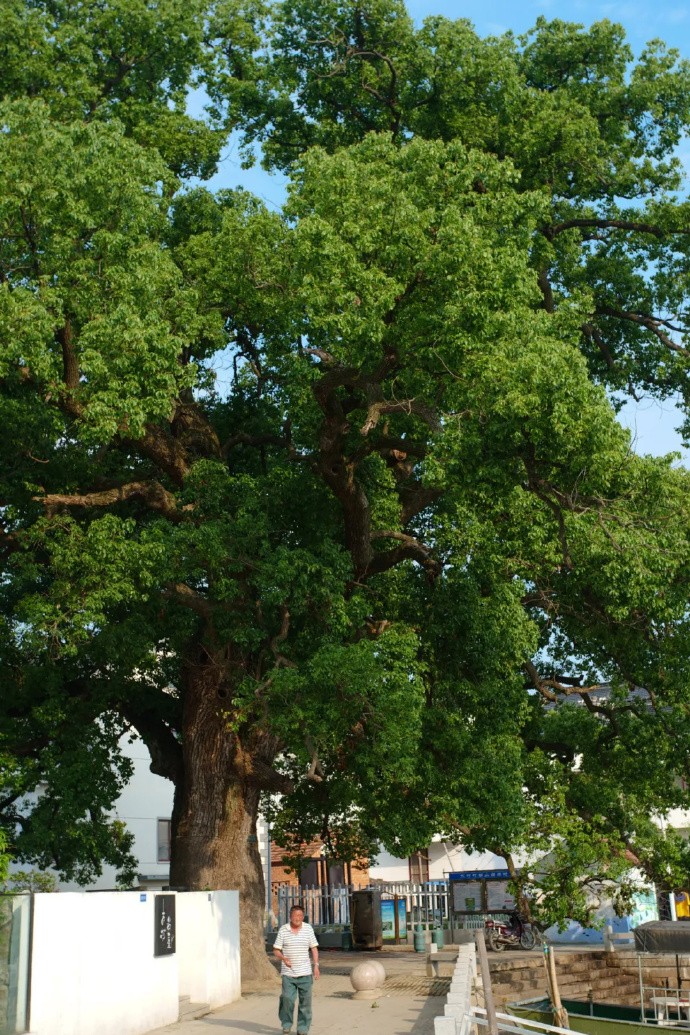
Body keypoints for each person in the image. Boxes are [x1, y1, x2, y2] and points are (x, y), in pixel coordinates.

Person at [273, 904, 320, 1035]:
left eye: (300, 915)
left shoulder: (308, 929)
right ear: (290, 916)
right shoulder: (283, 930)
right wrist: (283, 958)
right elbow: (276, 950)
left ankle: (303, 1028)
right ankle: (286, 1024)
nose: (297, 918)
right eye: (295, 915)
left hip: (305, 973)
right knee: (287, 999)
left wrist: (316, 965)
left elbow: (314, 948)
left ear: (303, 916)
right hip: (288, 974)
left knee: (305, 1003)